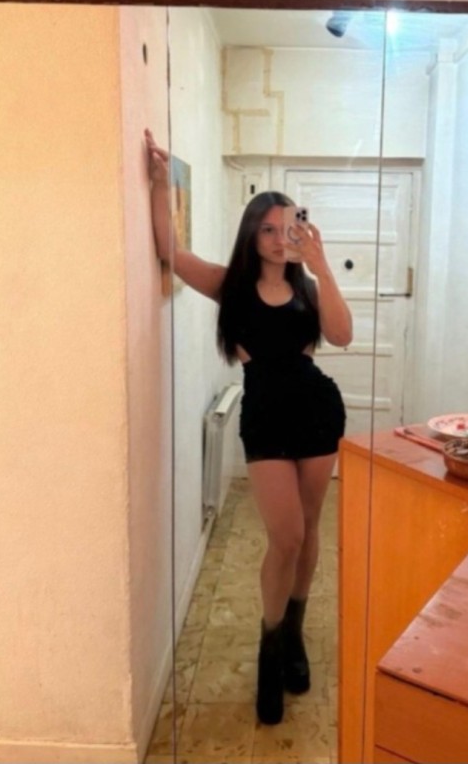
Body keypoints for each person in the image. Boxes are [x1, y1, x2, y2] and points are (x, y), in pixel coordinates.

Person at [144, 129, 351, 726]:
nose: (281, 238)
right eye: (269, 229)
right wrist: (161, 182)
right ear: (252, 235)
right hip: (264, 418)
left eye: (290, 228)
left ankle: (295, 634)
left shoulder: (308, 287)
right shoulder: (230, 285)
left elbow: (342, 336)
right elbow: (170, 249)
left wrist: (322, 266)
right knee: (284, 537)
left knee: (309, 528)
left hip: (316, 411)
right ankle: (269, 644)